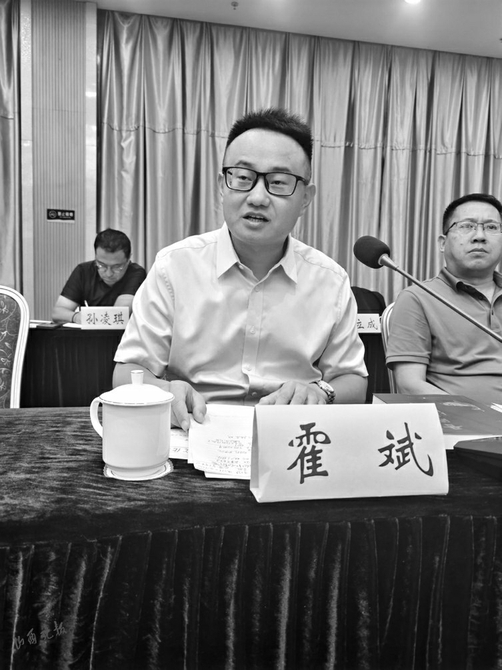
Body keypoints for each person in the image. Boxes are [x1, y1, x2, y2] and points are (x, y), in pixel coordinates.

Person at [113, 108, 368, 430]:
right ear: (223, 185)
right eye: (243, 178)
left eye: (279, 182)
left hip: (289, 436)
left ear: (306, 198)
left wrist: (320, 392)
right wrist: (165, 391)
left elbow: (352, 379)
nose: (258, 197)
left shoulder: (330, 280)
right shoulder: (174, 267)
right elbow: (128, 372)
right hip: (194, 430)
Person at [386, 192, 502, 405]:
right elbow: (410, 385)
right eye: (466, 226)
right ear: (442, 243)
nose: (479, 236)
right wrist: (477, 415)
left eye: (491, 227)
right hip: (459, 421)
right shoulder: (418, 298)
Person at [52, 228, 146, 324]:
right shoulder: (83, 271)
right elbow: (58, 312)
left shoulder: (136, 273)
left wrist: (88, 317)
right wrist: (76, 317)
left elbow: (117, 315)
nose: (108, 273)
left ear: (128, 260)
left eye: (117, 267)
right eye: (102, 265)